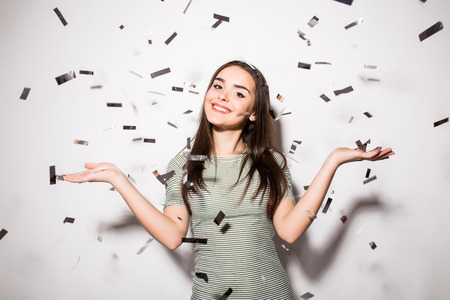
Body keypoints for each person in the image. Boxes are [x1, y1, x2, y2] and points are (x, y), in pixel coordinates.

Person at [63, 60, 394, 299]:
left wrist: (332, 161)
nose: (222, 96)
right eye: (218, 86)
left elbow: (290, 230)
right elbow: (172, 235)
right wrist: (120, 179)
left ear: (253, 111)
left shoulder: (271, 163)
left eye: (238, 93)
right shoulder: (183, 165)